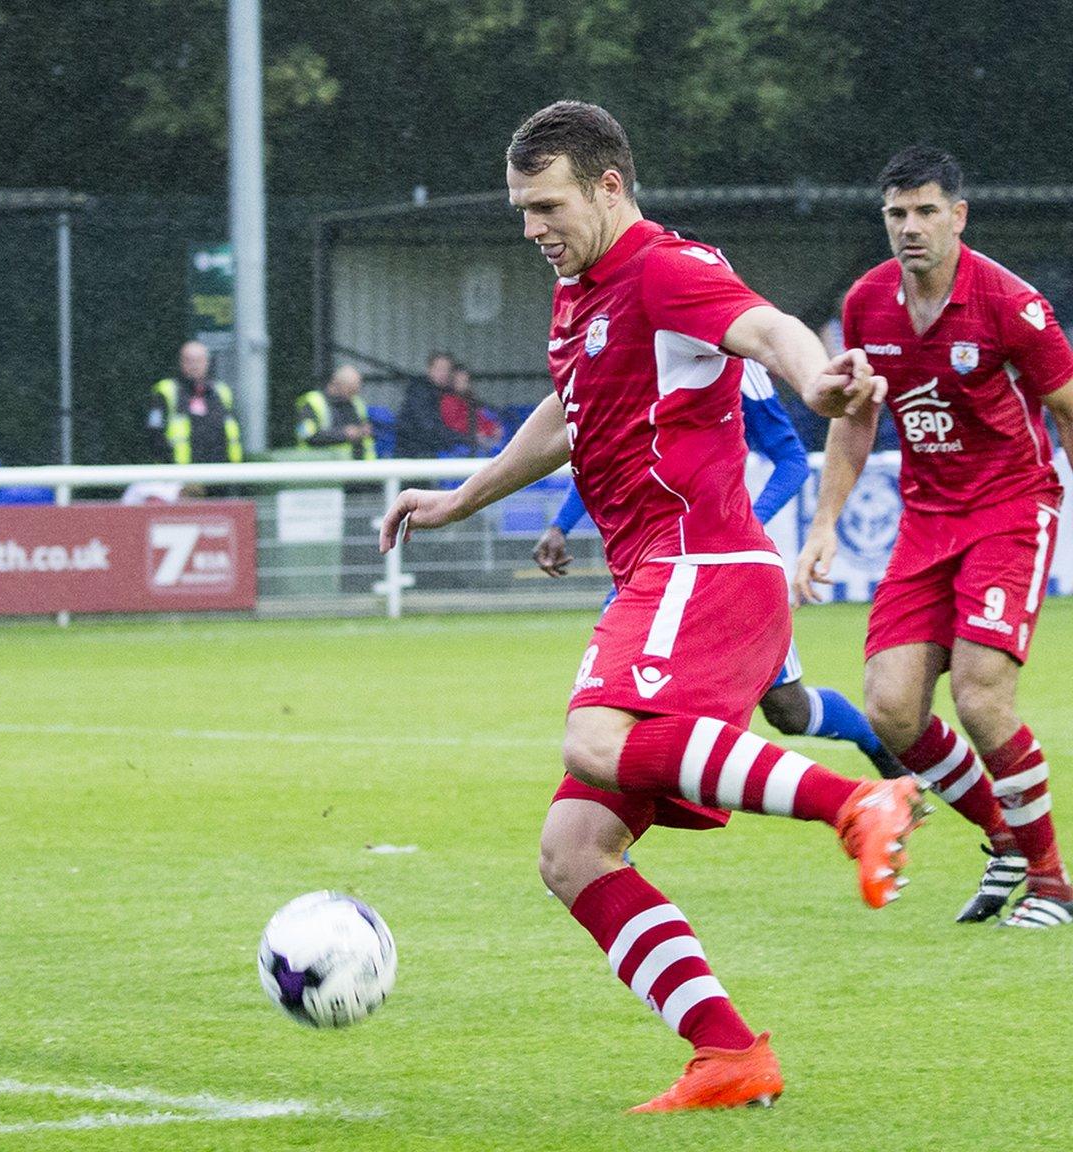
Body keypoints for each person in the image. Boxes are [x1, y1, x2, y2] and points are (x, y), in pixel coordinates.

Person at [384, 101, 922, 1112]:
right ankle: (728, 1054)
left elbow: (764, 328)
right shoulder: (579, 294)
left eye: (545, 203)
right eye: (519, 208)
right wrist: (460, 497)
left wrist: (816, 380)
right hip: (664, 574)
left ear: (607, 186)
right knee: (572, 853)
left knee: (595, 738)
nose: (531, 225)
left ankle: (855, 801)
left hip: (701, 564)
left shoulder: (661, 268)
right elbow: (566, 412)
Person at [797, 146, 1073, 929]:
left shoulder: (1012, 305)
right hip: (926, 520)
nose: (909, 228)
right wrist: (824, 527)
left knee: (982, 695)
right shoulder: (866, 304)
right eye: (896, 214)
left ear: (958, 215)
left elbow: (1068, 410)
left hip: (1012, 509)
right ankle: (1004, 839)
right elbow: (856, 421)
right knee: (889, 710)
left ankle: (1054, 885)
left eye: (924, 212)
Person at [536, 360, 905, 779]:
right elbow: (605, 457)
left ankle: (878, 747)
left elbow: (791, 459)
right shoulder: (629, 362)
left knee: (789, 710)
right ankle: (591, 843)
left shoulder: (733, 361)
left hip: (724, 568)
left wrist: (744, 522)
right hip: (650, 566)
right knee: (612, 709)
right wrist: (559, 524)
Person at [148, 340, 241, 464]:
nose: (194, 365)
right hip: (180, 477)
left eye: (199, 360)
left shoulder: (221, 392)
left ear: (207, 362)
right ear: (181, 362)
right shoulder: (167, 391)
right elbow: (154, 436)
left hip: (222, 475)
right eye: (189, 360)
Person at [295, 363, 375, 458]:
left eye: (355, 391)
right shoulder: (312, 402)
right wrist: (343, 434)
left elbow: (365, 432)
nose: (353, 395)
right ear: (336, 383)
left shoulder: (356, 403)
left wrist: (364, 431)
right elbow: (307, 436)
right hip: (322, 467)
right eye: (350, 390)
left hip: (357, 468)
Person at [394, 351, 457, 457]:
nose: (444, 373)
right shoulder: (419, 393)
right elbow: (428, 427)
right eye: (439, 368)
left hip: (430, 451)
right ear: (429, 370)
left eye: (447, 369)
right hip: (414, 454)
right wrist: (465, 439)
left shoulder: (448, 394)